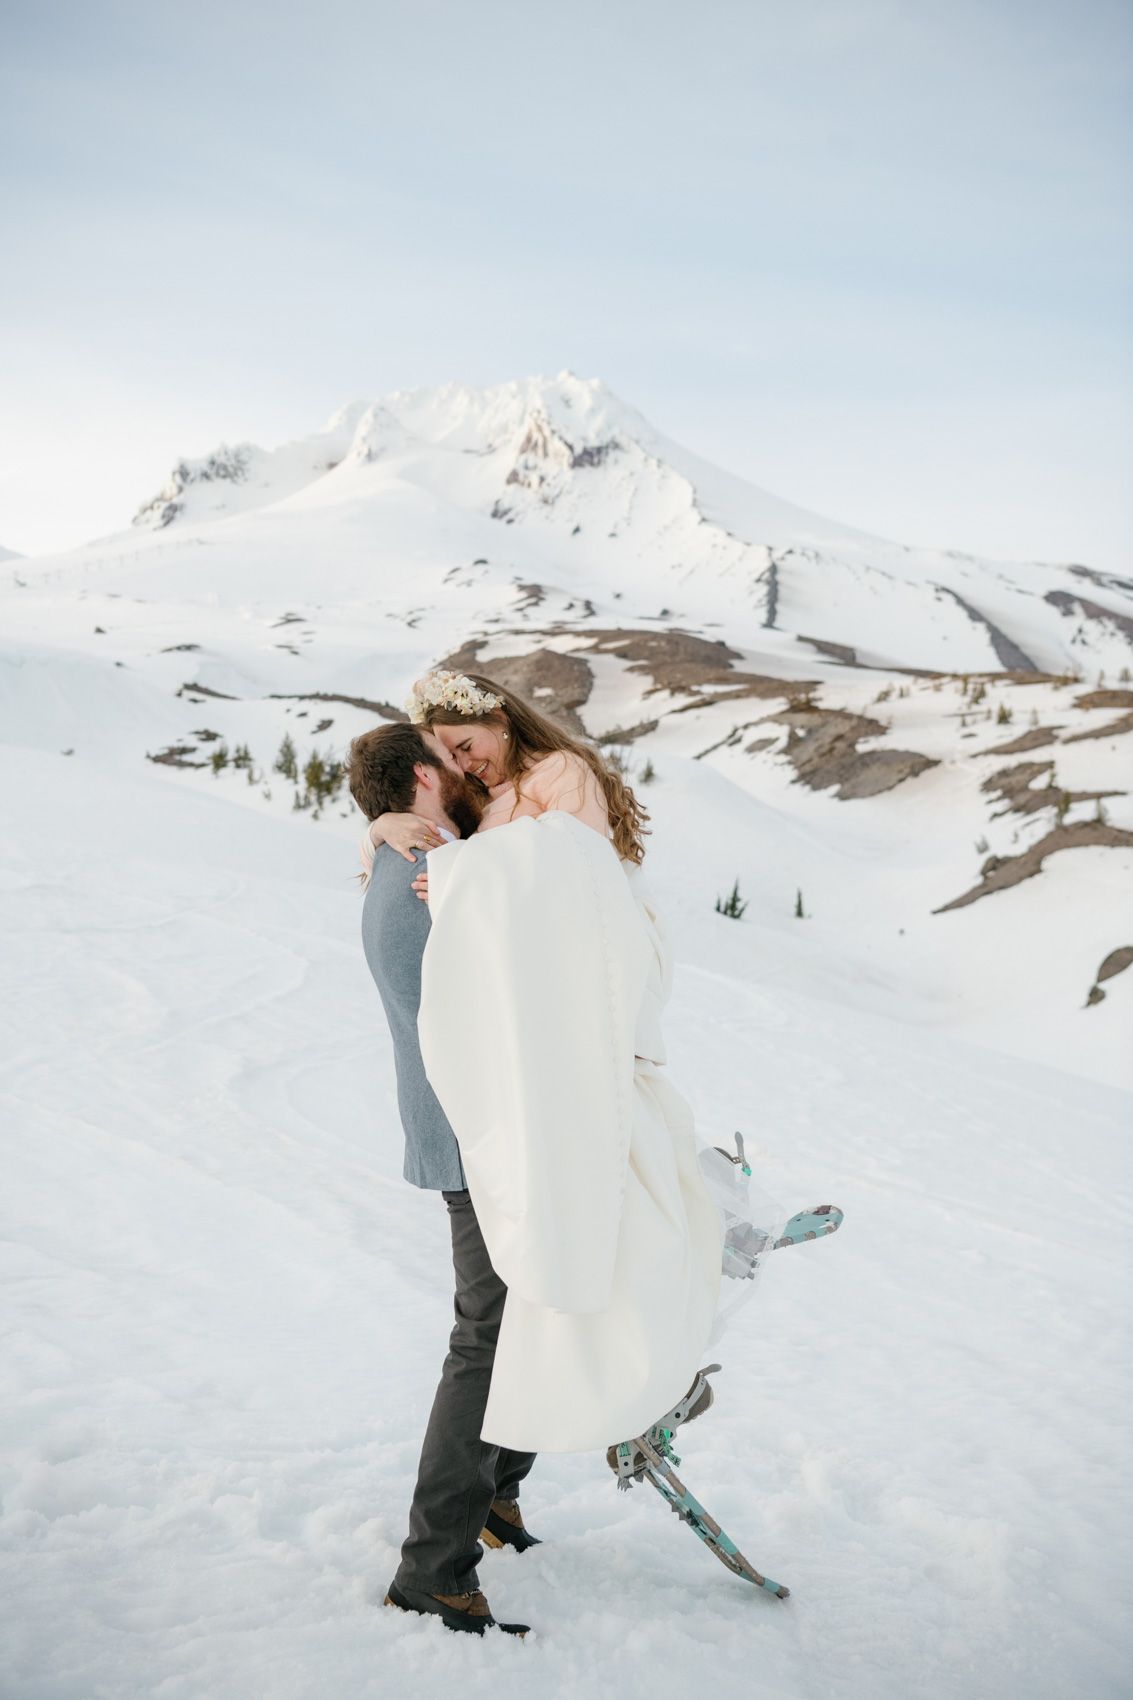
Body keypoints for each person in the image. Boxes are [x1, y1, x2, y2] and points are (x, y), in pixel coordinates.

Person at [362, 672, 723, 1461]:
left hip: (559, 1009)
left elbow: (571, 885)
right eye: (448, 757)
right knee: (520, 1305)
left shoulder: (555, 780)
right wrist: (388, 823)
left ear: (498, 718)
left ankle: (634, 1388)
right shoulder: (454, 821)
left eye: (469, 746)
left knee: (550, 1282)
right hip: (495, 1084)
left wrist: (458, 868)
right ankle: (523, 1472)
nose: (467, 765)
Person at [348, 721, 535, 1639]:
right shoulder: (430, 879)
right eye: (449, 758)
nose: (465, 769)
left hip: (464, 1132)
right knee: (487, 1335)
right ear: (424, 774)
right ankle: (431, 1570)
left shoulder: (409, 861)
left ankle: (496, 1494)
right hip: (480, 1138)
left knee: (524, 1314)